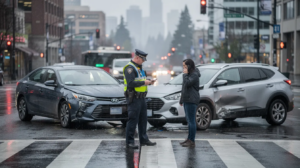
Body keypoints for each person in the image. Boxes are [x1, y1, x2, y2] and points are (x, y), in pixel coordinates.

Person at [123, 49, 156, 149]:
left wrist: (149, 81)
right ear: (137, 57)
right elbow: (130, 83)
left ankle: (144, 139)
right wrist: (144, 83)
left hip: (141, 98)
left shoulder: (139, 68)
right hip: (134, 98)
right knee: (133, 120)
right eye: (142, 59)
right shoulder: (130, 68)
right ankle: (129, 141)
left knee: (143, 120)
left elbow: (141, 80)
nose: (143, 61)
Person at [179, 59, 200, 147]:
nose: (183, 68)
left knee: (191, 121)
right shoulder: (188, 75)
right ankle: (189, 138)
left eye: (185, 66)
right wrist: (181, 99)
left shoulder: (194, 75)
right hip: (187, 99)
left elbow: (187, 83)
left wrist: (185, 74)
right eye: (183, 66)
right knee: (188, 120)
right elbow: (184, 88)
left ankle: (192, 140)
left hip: (192, 99)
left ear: (189, 66)